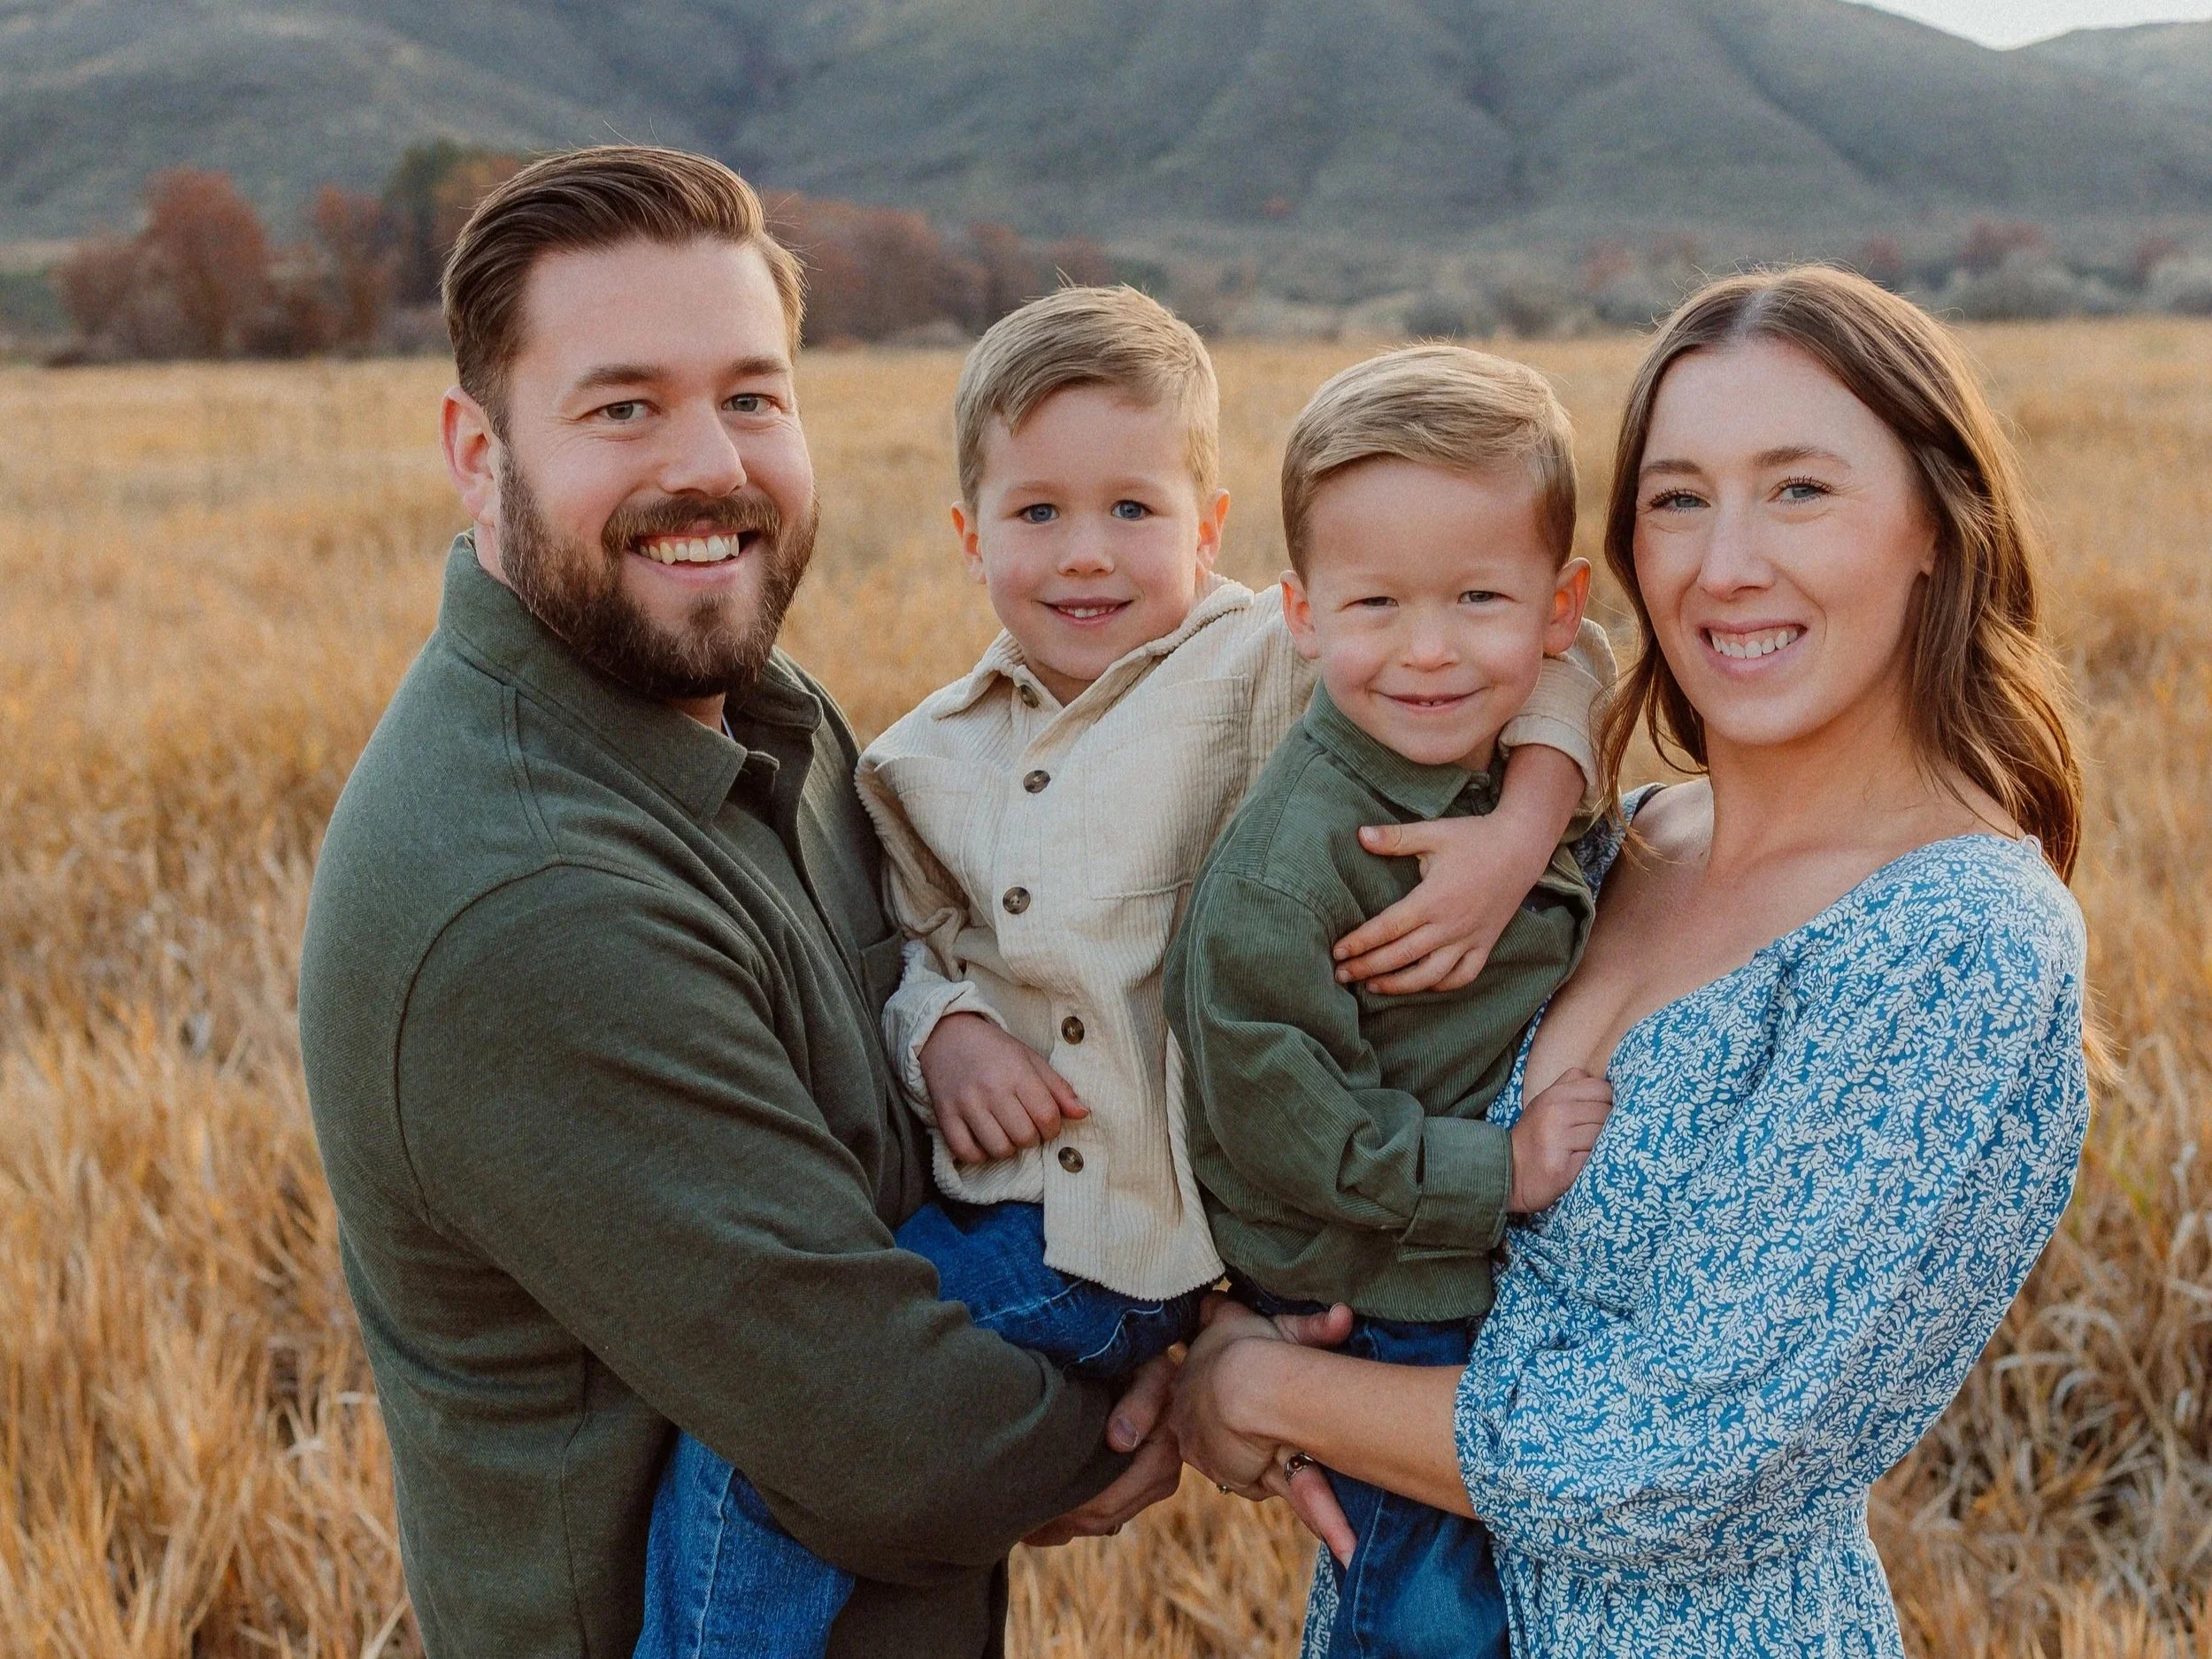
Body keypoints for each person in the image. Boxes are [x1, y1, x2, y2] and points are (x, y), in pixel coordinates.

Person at [296, 146, 1183, 1659]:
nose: (708, 463)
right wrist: (1179, 1401)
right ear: (476, 446)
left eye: (754, 395)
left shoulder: (768, 720)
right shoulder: (530, 898)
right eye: (623, 404)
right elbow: (889, 1434)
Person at [647, 290, 1618, 1654]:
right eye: (1038, 514)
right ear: (969, 535)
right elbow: (913, 950)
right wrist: (948, 1033)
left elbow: (1555, 651)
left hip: (1100, 1243)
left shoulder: (1266, 660)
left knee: (773, 1438)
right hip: (1021, 1201)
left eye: (1136, 511)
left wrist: (1522, 829)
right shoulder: (920, 760)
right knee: (792, 1423)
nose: (1087, 556)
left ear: (1212, 529)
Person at [1169, 265, 2092, 1658]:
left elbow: (1678, 1453)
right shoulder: (1619, 838)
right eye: (1678, 497)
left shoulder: (1960, 939)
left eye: (1799, 489)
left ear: (1935, 529)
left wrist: (1259, 1390)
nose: (1723, 564)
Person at [1164, 345, 1618, 1659]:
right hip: (1378, 1292)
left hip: (1452, 1269)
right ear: (1302, 612)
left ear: (1556, 606)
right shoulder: (1293, 866)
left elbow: (1586, 679)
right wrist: (1504, 1170)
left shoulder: (1503, 764)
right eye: (1376, 606)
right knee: (1424, 1609)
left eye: (1479, 596)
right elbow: (1284, 1118)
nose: (1427, 651)